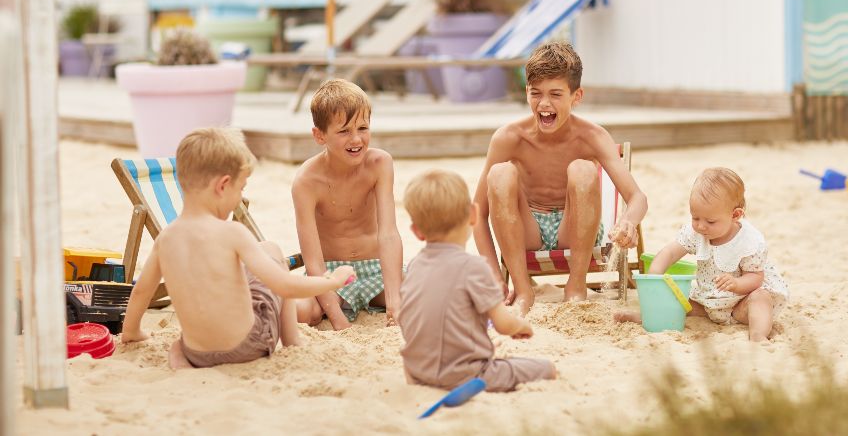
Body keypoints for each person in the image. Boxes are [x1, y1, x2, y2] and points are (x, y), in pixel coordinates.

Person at [121, 128, 356, 368]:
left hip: (197, 354)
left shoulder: (165, 239)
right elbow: (283, 285)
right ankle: (292, 340)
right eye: (240, 189)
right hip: (249, 345)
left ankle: (181, 358)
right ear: (223, 186)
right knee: (272, 251)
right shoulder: (233, 233)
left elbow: (141, 291)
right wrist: (332, 281)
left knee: (179, 343)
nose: (240, 197)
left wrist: (132, 332)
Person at [472, 41, 648, 314]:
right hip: (526, 227)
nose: (544, 104)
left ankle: (575, 285)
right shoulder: (509, 138)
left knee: (582, 169)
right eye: (536, 93)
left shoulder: (592, 136)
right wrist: (494, 275)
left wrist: (628, 222)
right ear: (526, 93)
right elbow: (477, 214)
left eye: (555, 94)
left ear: (576, 96)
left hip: (575, 226)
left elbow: (637, 197)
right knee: (500, 172)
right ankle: (523, 290)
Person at [398, 169, 557, 392]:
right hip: (468, 375)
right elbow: (503, 324)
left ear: (417, 232)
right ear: (473, 214)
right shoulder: (474, 267)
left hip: (417, 372)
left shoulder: (414, 267)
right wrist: (521, 325)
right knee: (546, 368)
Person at [615, 167, 789, 341]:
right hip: (708, 304)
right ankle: (647, 319)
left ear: (735, 215)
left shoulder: (749, 241)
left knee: (760, 298)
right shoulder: (696, 232)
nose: (700, 226)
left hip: (740, 304)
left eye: (710, 221)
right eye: (695, 217)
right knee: (678, 301)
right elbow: (670, 252)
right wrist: (655, 274)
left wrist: (736, 283)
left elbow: (755, 278)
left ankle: (758, 334)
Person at [292, 79, 403, 330]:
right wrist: (336, 318)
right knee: (304, 311)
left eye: (363, 128)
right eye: (344, 131)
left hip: (376, 268)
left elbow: (388, 233)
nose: (356, 139)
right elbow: (312, 257)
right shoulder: (306, 181)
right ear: (319, 135)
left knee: (424, 292)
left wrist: (395, 302)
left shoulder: (379, 164)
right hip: (330, 275)